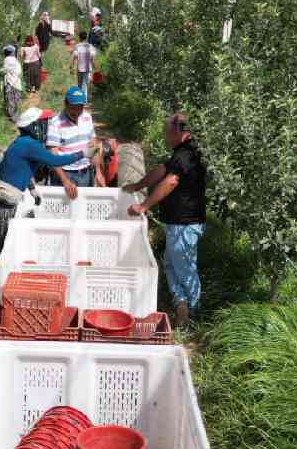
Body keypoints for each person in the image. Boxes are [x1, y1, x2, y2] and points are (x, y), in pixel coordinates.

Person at [0, 107, 101, 273]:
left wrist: (33, 190)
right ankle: (1, 272)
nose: (48, 127)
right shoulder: (30, 144)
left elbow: (21, 169)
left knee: (2, 235)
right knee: (6, 240)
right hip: (8, 197)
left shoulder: (21, 141)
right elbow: (55, 161)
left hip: (4, 194)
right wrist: (83, 153)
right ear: (35, 126)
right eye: (44, 124)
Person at [123, 113, 206, 327]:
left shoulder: (187, 154)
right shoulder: (181, 153)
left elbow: (170, 181)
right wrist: (138, 185)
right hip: (177, 222)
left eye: (166, 132)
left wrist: (144, 205)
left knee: (185, 267)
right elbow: (163, 170)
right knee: (171, 264)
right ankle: (181, 305)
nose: (165, 136)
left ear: (177, 131)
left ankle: (195, 315)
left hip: (185, 223)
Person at [46, 86, 104, 198]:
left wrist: (98, 171)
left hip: (86, 173)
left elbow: (93, 145)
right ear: (65, 104)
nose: (77, 111)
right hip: (66, 173)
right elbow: (52, 156)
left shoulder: (87, 117)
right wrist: (64, 180)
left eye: (80, 107)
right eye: (73, 107)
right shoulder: (56, 123)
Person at [70, 31, 97, 101]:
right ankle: (84, 100)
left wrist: (72, 67)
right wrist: (96, 68)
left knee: (79, 85)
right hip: (88, 69)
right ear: (86, 37)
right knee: (85, 85)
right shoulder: (90, 47)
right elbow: (92, 59)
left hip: (79, 68)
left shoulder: (77, 46)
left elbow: (74, 57)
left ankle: (80, 99)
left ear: (79, 37)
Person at [1, 45, 23, 123]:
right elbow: (19, 72)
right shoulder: (16, 61)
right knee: (15, 101)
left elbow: (4, 70)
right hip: (17, 84)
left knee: (10, 101)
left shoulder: (7, 59)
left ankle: (12, 119)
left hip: (10, 84)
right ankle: (16, 117)